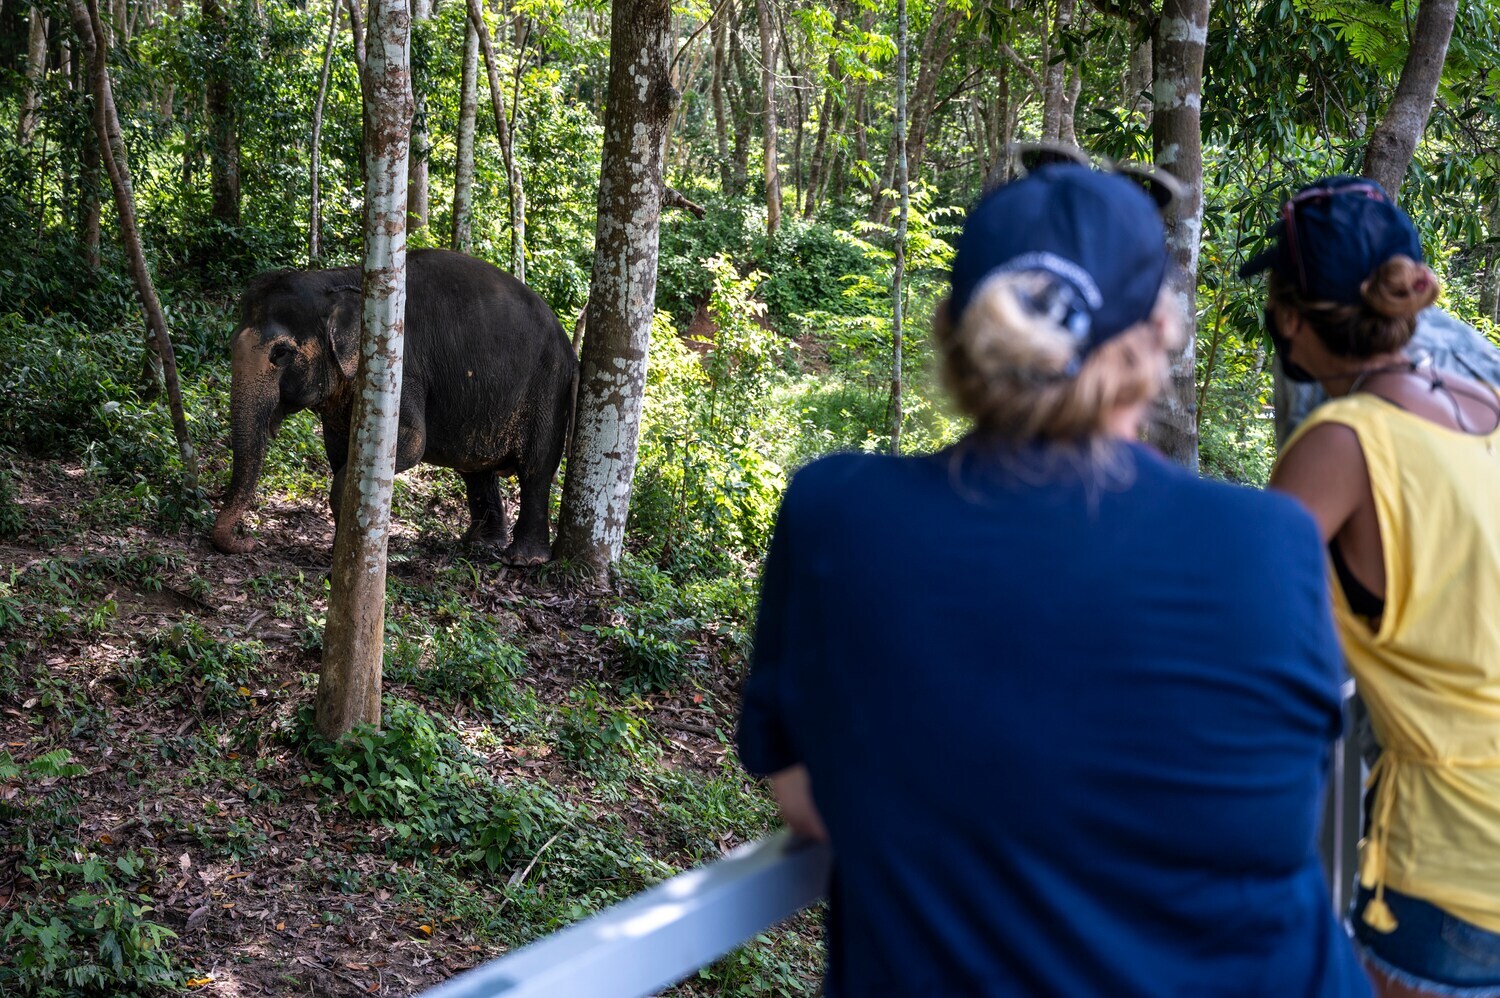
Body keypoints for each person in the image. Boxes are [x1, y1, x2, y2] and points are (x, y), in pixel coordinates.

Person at [736, 163, 1370, 997]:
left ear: (956, 330)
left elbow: (809, 799)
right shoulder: (1272, 542)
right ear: (1159, 336)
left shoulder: (837, 515)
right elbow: (1278, 789)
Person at [1248, 176, 1500, 998]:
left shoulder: (1343, 444)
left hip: (1455, 855)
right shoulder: (1481, 405)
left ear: (1291, 317)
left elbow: (1240, 618)